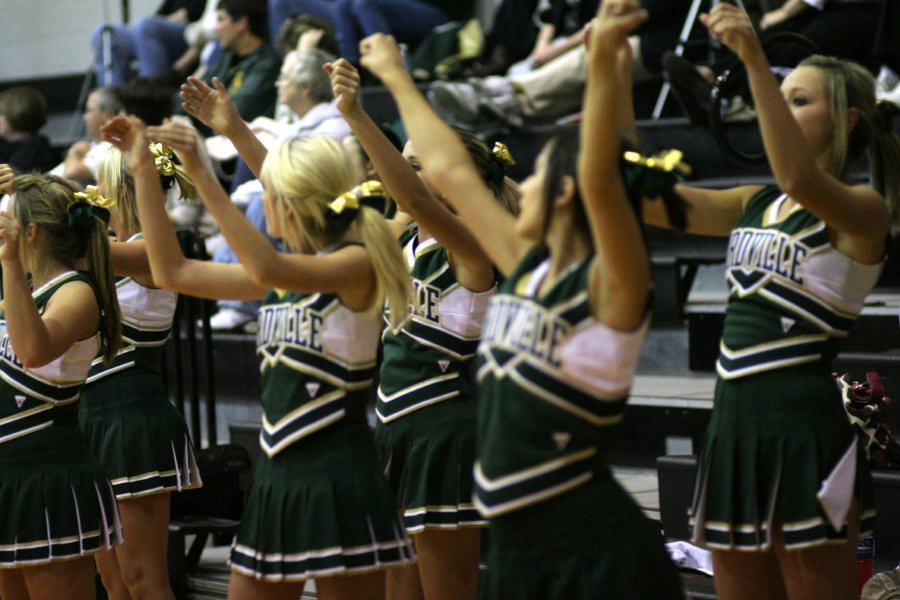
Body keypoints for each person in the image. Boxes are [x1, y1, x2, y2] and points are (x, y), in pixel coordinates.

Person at [357, 0, 686, 595]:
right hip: (518, 518)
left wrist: (608, 63)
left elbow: (612, 175)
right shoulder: (523, 267)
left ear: (569, 196)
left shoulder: (608, 290)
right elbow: (448, 181)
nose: (520, 181)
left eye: (539, 176)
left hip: (582, 529)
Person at [642, 3, 900, 599]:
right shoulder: (754, 202)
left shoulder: (863, 210)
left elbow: (800, 179)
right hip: (731, 425)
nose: (778, 107)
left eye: (798, 100)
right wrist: (605, 70)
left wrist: (755, 59)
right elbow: (645, 199)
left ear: (847, 119)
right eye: (779, 97)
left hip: (803, 426)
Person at [100, 114, 416, 598]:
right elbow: (171, 270)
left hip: (337, 472)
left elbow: (264, 261)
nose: (261, 198)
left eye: (269, 191)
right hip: (274, 474)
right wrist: (143, 171)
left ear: (291, 203)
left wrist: (202, 170)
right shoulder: (283, 278)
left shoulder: (357, 265)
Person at [327, 57, 518, 599]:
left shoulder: (476, 245)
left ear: (459, 176)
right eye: (402, 161)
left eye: (419, 162)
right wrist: (231, 134)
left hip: (445, 433)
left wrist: (357, 114)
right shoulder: (402, 241)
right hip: (393, 427)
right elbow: (307, 205)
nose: (403, 173)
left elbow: (411, 198)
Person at [79, 146, 203, 600]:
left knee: (143, 578)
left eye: (100, 181)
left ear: (120, 189)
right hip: (91, 417)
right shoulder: (107, 248)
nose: (91, 191)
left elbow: (76, 250)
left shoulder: (152, 249)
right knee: (112, 581)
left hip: (132, 417)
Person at [0, 171, 123, 600]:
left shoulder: (76, 292)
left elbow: (34, 349)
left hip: (47, 475)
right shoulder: (23, 293)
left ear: (29, 233)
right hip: (9, 475)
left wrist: (10, 262)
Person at [427, 0, 690, 129]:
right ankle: (499, 96)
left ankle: (506, 96)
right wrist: (543, 49)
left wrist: (558, 49)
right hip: (576, 40)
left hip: (651, 41)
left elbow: (625, 17)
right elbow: (552, 14)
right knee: (533, 63)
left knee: (593, 52)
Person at [178, 0, 282, 135]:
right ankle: (160, 155)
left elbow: (234, 114)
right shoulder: (227, 59)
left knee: (165, 141)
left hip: (236, 146)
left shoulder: (268, 64)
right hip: (206, 136)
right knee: (155, 140)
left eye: (221, 19)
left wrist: (197, 114)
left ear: (241, 24)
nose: (216, 28)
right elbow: (183, 99)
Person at [92, 0, 207, 86]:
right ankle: (111, 101)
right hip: (162, 34)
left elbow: (183, 16)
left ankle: (149, 96)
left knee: (145, 25)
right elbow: (159, 17)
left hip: (194, 36)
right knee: (105, 33)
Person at [331, 0, 474, 65]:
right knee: (342, 4)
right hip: (405, 10)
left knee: (365, 3)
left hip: (443, 14)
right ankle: (351, 67)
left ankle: (391, 62)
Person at [50, 86, 123, 186]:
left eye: (89, 110)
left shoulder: (113, 146)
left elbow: (72, 172)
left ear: (108, 114)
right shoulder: (93, 145)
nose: (85, 117)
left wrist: (75, 151)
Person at [0, 86, 57, 174]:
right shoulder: (5, 146)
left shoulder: (34, 147)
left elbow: (10, 176)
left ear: (17, 114)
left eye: (1, 113)